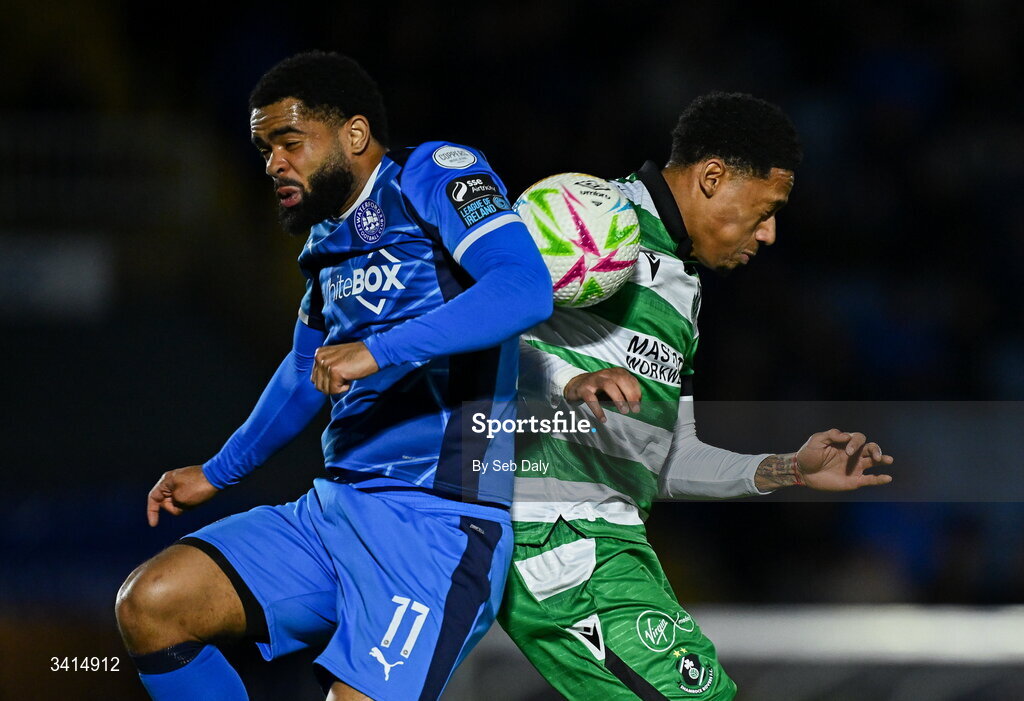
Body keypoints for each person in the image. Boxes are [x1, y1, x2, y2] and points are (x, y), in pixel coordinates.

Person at [114, 51, 552, 701]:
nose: (272, 163)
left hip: (438, 528)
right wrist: (217, 470)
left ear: (353, 134)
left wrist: (379, 349)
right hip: (330, 515)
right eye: (264, 149)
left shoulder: (432, 176)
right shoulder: (325, 242)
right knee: (151, 601)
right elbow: (301, 373)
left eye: (289, 142)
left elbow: (524, 287)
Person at [498, 92, 894, 700]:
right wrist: (560, 380)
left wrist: (787, 469)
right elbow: (476, 332)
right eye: (765, 209)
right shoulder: (588, 215)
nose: (770, 233)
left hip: (613, 540)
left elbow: (669, 461)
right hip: (556, 534)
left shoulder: (682, 289)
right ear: (712, 177)